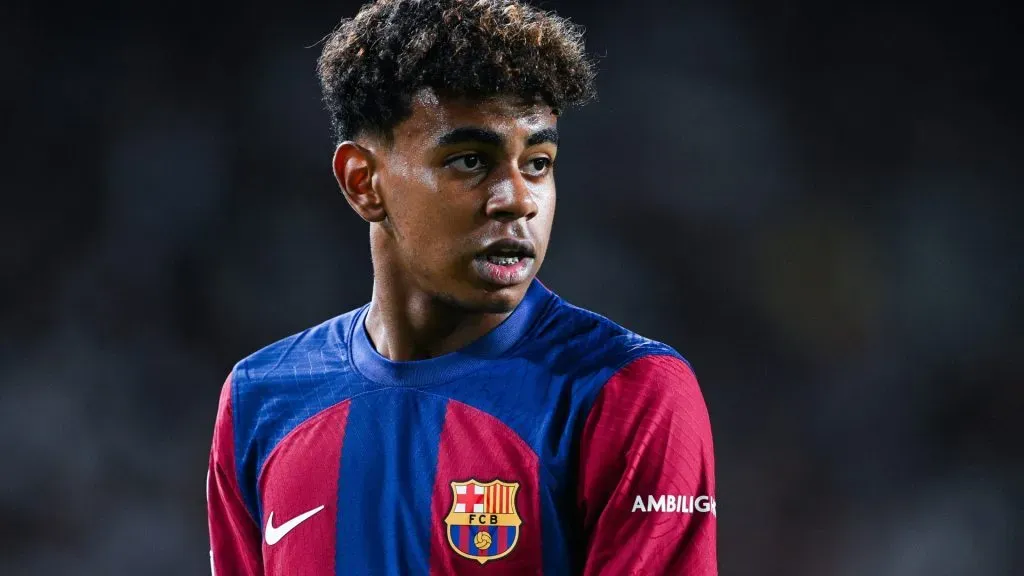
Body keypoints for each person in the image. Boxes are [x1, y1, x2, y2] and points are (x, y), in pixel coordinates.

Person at [206, 0, 717, 574]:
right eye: (471, 160)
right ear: (362, 182)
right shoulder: (261, 397)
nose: (519, 198)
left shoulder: (626, 392)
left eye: (539, 162)